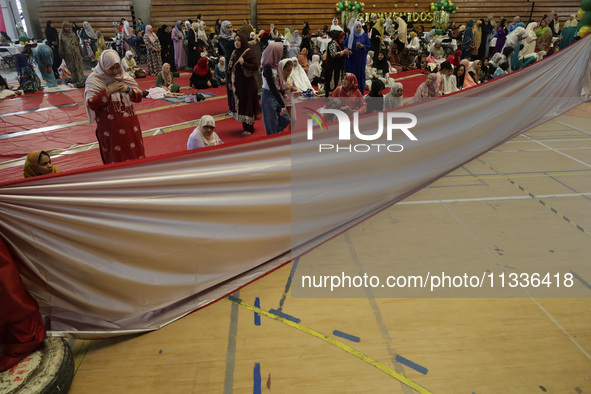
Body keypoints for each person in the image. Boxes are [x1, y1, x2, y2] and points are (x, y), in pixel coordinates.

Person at [85, 49, 144, 164]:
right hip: (110, 130)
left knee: (135, 154)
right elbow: (91, 104)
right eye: (111, 68)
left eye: (117, 67)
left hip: (130, 126)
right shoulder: (94, 81)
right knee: (115, 157)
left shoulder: (124, 77)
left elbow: (139, 97)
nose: (116, 71)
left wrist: (127, 90)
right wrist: (107, 91)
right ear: (103, 66)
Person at [228, 32, 262, 135]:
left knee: (247, 106)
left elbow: (256, 66)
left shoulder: (248, 52)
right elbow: (231, 69)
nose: (236, 42)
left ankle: (249, 128)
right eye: (235, 40)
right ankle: (245, 127)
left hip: (248, 86)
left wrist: (244, 63)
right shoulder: (235, 52)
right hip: (239, 86)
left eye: (238, 40)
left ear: (243, 41)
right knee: (242, 105)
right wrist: (230, 82)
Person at [260, 42, 290, 135]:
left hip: (276, 94)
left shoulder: (276, 65)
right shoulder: (267, 69)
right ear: (274, 53)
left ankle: (274, 134)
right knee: (270, 123)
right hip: (268, 95)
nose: (281, 54)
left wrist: (283, 92)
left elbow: (278, 82)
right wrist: (281, 104)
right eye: (280, 52)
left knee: (286, 119)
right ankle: (271, 140)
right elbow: (272, 86)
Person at [345, 21, 371, 95]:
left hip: (361, 59)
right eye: (357, 27)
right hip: (352, 59)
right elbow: (345, 45)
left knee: (360, 75)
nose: (358, 28)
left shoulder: (364, 36)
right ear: (354, 28)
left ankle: (360, 92)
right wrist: (348, 50)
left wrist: (363, 46)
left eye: (360, 27)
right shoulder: (350, 36)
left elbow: (369, 45)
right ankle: (351, 92)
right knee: (352, 75)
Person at [59, 21, 85, 88]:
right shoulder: (62, 36)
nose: (68, 28)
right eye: (66, 27)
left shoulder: (73, 34)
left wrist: (81, 51)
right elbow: (61, 45)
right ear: (63, 28)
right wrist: (61, 53)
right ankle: (75, 80)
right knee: (72, 67)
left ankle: (80, 80)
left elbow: (78, 43)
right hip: (68, 54)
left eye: (69, 27)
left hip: (76, 53)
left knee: (78, 67)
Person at [218, 20, 236, 113]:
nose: (230, 29)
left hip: (238, 65)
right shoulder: (222, 39)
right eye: (227, 27)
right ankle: (232, 108)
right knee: (230, 86)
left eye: (231, 27)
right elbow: (228, 48)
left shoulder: (235, 36)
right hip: (229, 65)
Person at [324, 31, 349, 97]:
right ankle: (328, 96)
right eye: (342, 38)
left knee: (338, 80)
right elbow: (333, 54)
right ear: (338, 38)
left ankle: (337, 94)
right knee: (331, 80)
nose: (343, 40)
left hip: (339, 65)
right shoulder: (332, 43)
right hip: (332, 65)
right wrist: (343, 52)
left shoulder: (341, 44)